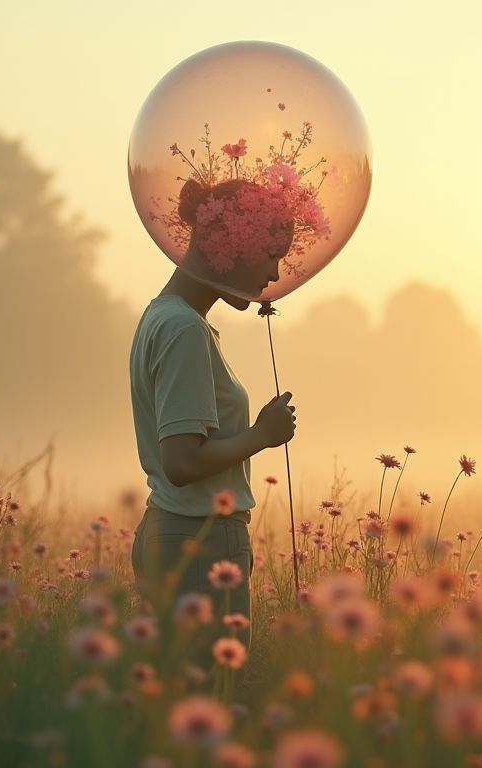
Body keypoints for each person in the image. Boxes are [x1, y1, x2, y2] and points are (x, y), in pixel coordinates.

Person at [129, 178, 297, 659]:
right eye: (271, 254)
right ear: (232, 245)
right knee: (212, 696)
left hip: (171, 532)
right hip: (198, 541)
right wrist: (261, 435)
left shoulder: (164, 316)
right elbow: (181, 463)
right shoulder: (183, 329)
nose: (275, 274)